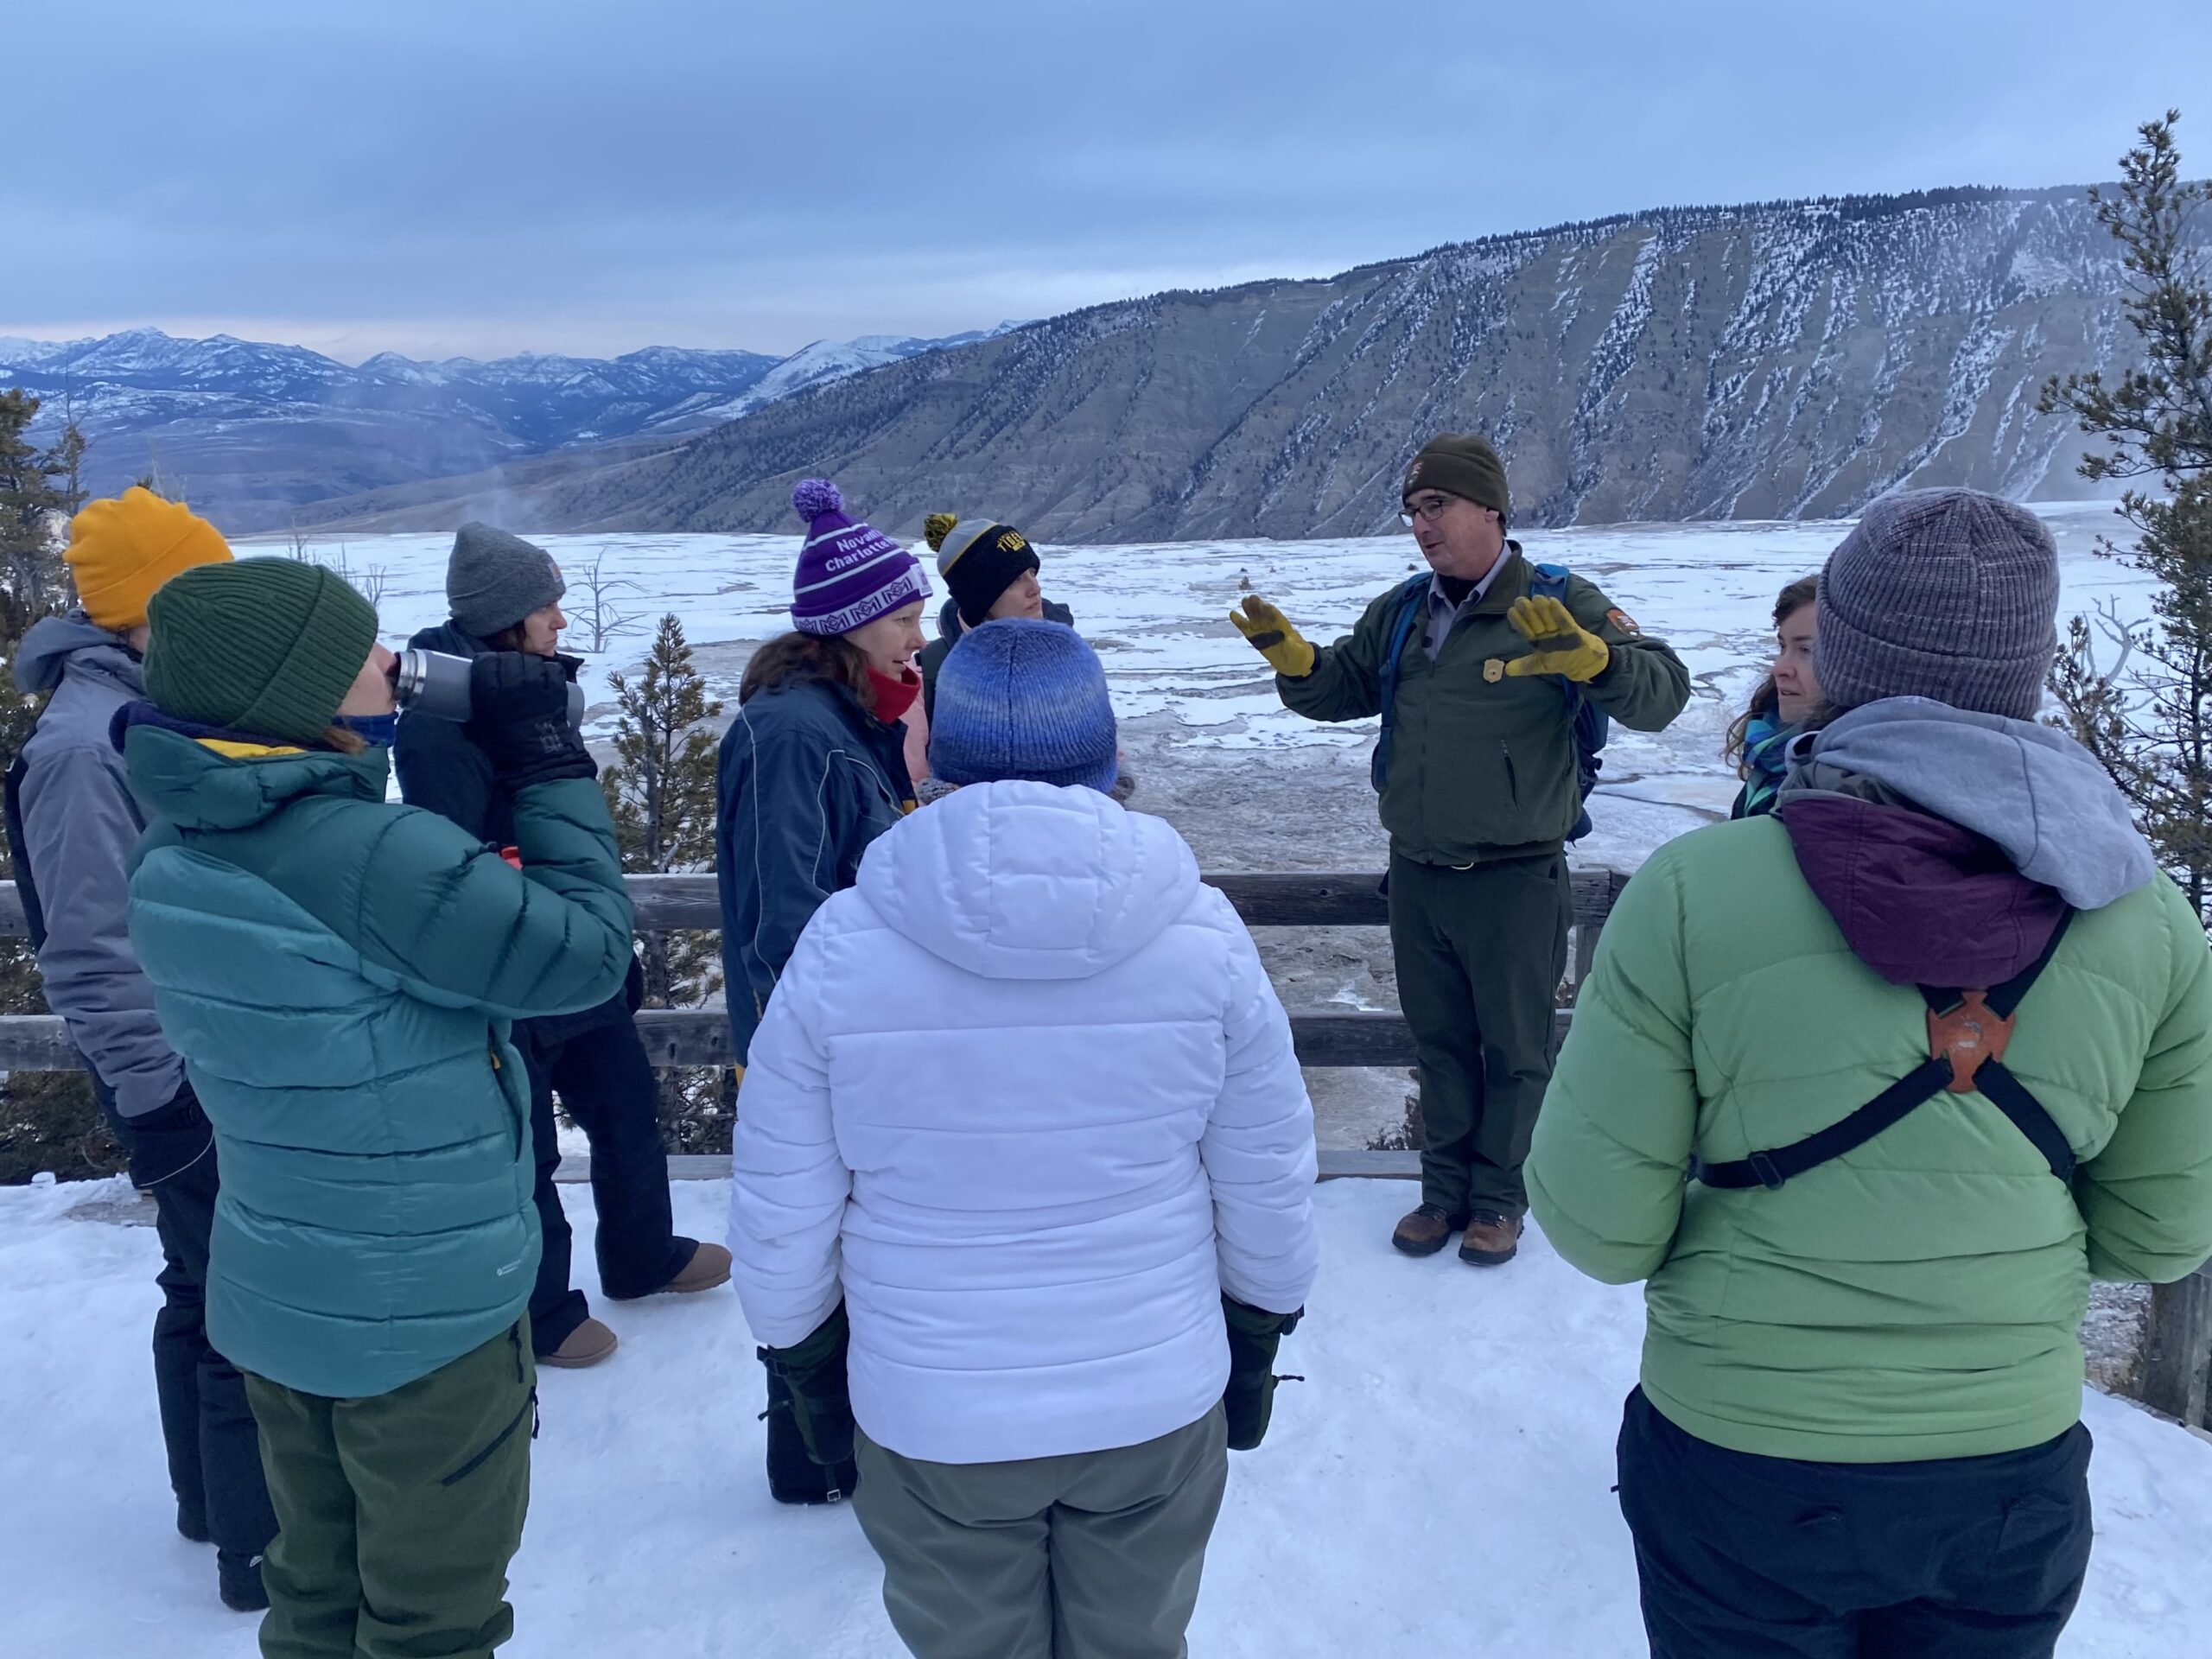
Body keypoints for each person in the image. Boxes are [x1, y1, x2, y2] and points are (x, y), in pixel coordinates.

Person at [1527, 488, 2212, 1659]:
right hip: (2007, 1468)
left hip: (1744, 1456)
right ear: (2029, 666)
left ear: (1841, 654)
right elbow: (2159, 1236)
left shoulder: (1695, 893)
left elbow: (1601, 1230)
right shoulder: (2148, 923)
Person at [729, 618, 1319, 1659]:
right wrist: (1257, 1336)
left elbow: (782, 1207)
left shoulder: (843, 944)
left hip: (933, 1414)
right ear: (1105, 751)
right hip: (1150, 1399)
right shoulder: (1201, 937)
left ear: (939, 753)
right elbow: (1265, 1174)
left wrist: (807, 1367)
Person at [119, 556, 635, 1659]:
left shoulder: (175, 847)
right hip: (427, 1312)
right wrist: (549, 763)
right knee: (433, 1618)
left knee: (313, 1592)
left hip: (281, 1294)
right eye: (361, 650)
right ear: (288, 694)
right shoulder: (369, 854)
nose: (394, 663)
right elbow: (586, 957)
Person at [1231, 433, 1690, 1265]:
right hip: (1418, 874)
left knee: (1515, 1052)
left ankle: (1500, 1200)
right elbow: (1339, 687)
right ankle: (1441, 1194)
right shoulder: (1404, 609)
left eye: (1435, 505)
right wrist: (1293, 660)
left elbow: (1665, 692)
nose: (1421, 525)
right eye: (1411, 510)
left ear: (1491, 508)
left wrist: (1595, 661)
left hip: (1514, 877)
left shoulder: (1559, 599)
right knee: (1439, 1044)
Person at [3, 487, 276, 1611]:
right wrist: (167, 1103)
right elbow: (92, 957)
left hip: (208, 1059)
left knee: (199, 1280)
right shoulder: (83, 750)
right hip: (179, 1077)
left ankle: (212, 1504)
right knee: (235, 1296)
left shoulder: (145, 712)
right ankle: (259, 1553)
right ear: (148, 611)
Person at [394, 523, 730, 1373]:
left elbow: (577, 829)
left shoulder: (532, 692)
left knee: (626, 1111)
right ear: (505, 617)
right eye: (547, 606)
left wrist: (609, 944)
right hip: (512, 967)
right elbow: (461, 859)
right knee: (528, 1151)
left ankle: (642, 1255)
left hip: (578, 952)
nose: (561, 622)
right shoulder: (439, 726)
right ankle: (543, 1311)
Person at [715, 476, 928, 1503]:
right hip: (810, 1046)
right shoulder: (796, 735)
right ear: (849, 627)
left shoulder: (848, 722)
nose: (916, 635)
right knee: (807, 1252)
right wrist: (810, 1052)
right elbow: (780, 915)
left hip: (841, 1035)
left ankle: (845, 1448)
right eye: (902, 615)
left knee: (846, 1247)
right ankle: (811, 1460)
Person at [914, 512, 1072, 723]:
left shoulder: (1068, 652)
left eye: (1033, 573)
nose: (1035, 588)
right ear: (979, 597)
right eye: (1015, 579)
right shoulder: (931, 676)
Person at [1724, 574, 1820, 818]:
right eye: (1782, 647)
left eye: (1806, 650)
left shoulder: (1841, 784)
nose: (1779, 668)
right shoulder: (1773, 752)